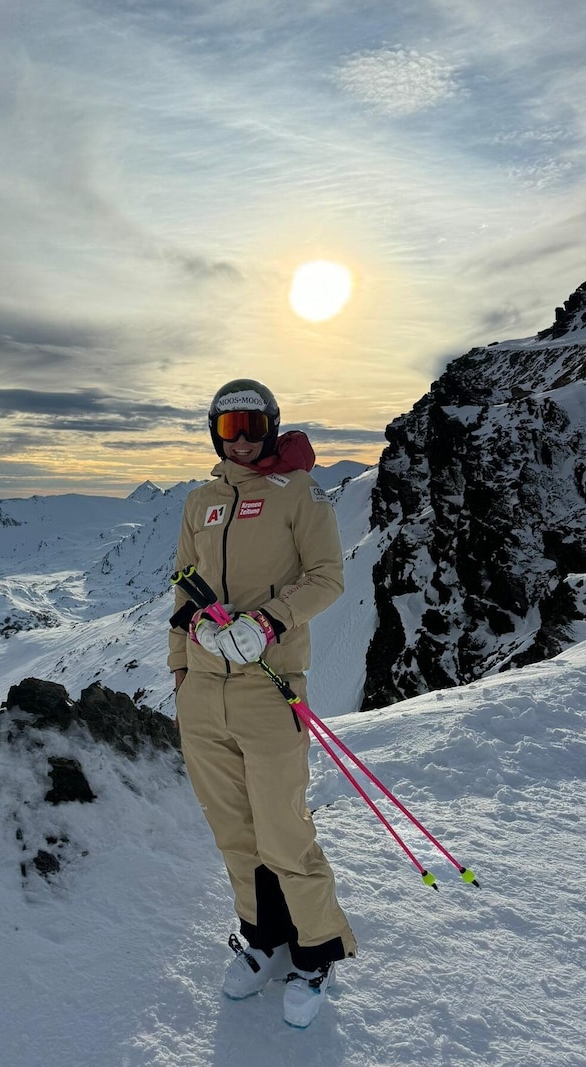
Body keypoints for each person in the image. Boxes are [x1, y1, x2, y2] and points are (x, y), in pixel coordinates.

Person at [168, 378, 356, 1029]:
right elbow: (182, 593)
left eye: (252, 424)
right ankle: (264, 937)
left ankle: (315, 951)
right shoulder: (201, 502)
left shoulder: (299, 493)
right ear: (213, 433)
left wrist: (269, 621)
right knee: (235, 831)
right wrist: (181, 673)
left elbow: (328, 575)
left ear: (271, 425)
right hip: (203, 693)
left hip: (268, 686)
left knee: (283, 829)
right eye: (228, 427)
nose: (241, 438)